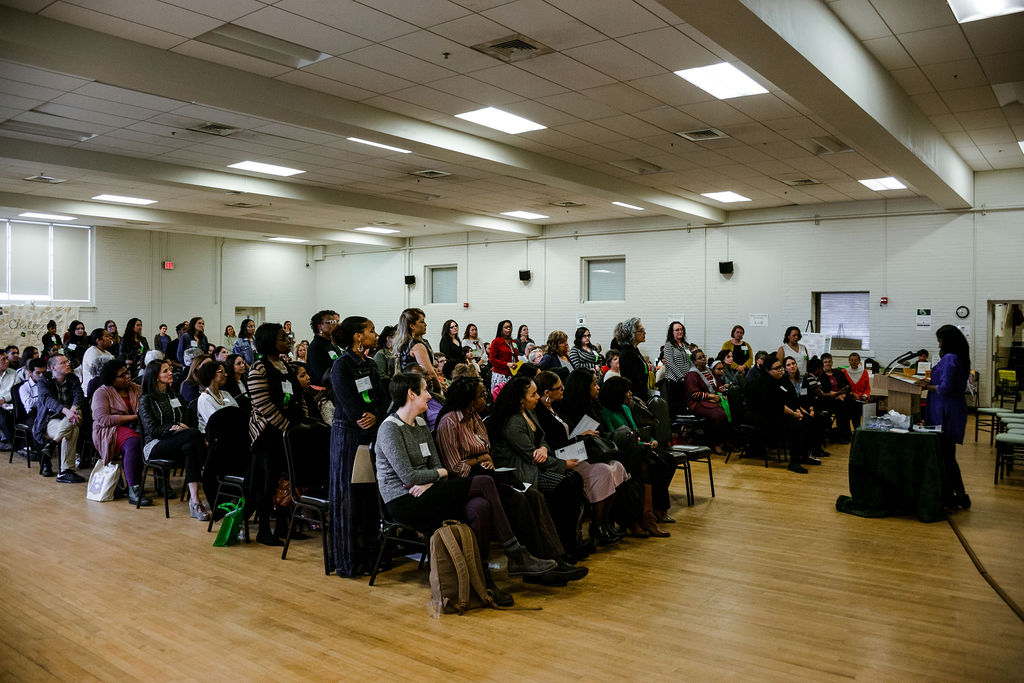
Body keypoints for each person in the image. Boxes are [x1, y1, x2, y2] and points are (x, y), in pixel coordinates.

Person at [376, 372, 558, 603]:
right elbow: (409, 475)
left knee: (481, 506)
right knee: (485, 481)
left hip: (429, 490)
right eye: (424, 390)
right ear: (411, 394)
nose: (430, 396)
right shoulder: (390, 429)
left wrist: (433, 478)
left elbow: (437, 465)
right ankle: (514, 552)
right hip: (403, 500)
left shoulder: (420, 423)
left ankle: (484, 581)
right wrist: (437, 475)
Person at [435, 376, 587, 583]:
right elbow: (455, 467)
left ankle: (553, 559)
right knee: (520, 499)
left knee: (533, 495)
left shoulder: (476, 418)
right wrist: (480, 460)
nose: (487, 398)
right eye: (482, 395)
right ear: (470, 400)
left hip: (489, 474)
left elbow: (490, 451)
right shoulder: (449, 422)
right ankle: (533, 565)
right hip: (468, 482)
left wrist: (483, 460)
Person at [488, 375, 588, 558]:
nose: (537, 397)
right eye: (533, 394)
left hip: (535, 464)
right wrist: (562, 464)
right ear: (520, 399)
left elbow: (541, 438)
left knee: (575, 480)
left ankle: (571, 541)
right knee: (566, 485)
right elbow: (530, 456)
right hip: (522, 471)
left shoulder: (529, 411)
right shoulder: (513, 423)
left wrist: (543, 448)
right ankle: (563, 545)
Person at [534, 371, 628, 546]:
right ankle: (597, 524)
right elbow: (553, 443)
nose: (563, 389)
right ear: (547, 392)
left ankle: (606, 521)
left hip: (574, 451)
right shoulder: (541, 414)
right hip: (564, 458)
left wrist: (580, 436)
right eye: (558, 387)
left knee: (617, 466)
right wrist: (578, 438)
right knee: (603, 471)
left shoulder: (555, 408)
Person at [328, 316, 388, 578]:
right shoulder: (341, 366)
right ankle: (349, 561)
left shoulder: (370, 364)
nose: (375, 334)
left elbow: (383, 397)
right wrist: (367, 416)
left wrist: (376, 414)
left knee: (368, 500)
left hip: (369, 434)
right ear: (357, 336)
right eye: (371, 331)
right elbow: (351, 405)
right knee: (349, 499)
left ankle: (371, 557)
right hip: (349, 438)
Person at [244, 323, 307, 545]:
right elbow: (263, 405)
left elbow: (299, 397)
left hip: (289, 431)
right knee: (267, 483)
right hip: (267, 434)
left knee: (287, 480)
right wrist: (287, 427)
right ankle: (263, 530)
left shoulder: (286, 366)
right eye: (282, 337)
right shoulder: (258, 369)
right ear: (270, 340)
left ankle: (283, 526)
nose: (288, 340)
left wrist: (303, 421)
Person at [596, 375, 671, 537]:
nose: (630, 394)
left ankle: (653, 513)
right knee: (647, 467)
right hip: (622, 453)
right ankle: (641, 519)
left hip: (637, 449)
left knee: (663, 462)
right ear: (617, 394)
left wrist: (651, 441)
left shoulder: (626, 408)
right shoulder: (605, 412)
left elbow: (637, 431)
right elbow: (614, 439)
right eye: (627, 391)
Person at [139, 359, 211, 519]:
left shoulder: (176, 396)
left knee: (190, 447)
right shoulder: (146, 399)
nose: (170, 372)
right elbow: (152, 430)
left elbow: (187, 421)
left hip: (181, 442)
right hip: (155, 445)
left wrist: (181, 429)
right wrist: (173, 429)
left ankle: (195, 501)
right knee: (193, 436)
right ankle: (212, 487)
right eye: (165, 371)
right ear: (156, 377)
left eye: (169, 369)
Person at [923, 325, 971, 509]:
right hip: (951, 408)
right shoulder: (959, 357)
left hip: (946, 411)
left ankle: (955, 496)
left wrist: (926, 387)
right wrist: (929, 382)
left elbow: (945, 387)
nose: (938, 343)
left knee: (946, 456)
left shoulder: (950, 358)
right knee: (947, 455)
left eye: (940, 340)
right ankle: (956, 494)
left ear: (947, 341)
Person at [91, 359, 149, 506]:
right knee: (133, 442)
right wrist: (135, 416)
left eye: (127, 373)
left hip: (136, 426)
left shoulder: (136, 388)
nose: (127, 377)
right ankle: (134, 490)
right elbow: (102, 419)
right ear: (112, 379)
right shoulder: (102, 392)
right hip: (110, 429)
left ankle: (162, 485)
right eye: (122, 375)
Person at [745, 356, 814, 474]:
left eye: (780, 367)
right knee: (795, 424)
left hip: (777, 413)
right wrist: (794, 414)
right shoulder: (764, 383)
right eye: (776, 368)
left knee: (807, 419)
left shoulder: (781, 379)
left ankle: (805, 455)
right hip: (762, 417)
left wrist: (798, 410)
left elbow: (792, 398)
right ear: (767, 370)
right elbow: (776, 405)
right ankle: (794, 462)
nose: (780, 370)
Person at [33, 354, 86, 482]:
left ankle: (54, 443)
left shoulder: (73, 378)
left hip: (71, 417)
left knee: (77, 411)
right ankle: (65, 471)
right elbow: (47, 399)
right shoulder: (44, 381)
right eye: (63, 363)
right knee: (74, 430)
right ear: (53, 367)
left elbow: (78, 395)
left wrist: (72, 410)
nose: (68, 364)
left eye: (67, 361)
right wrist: (66, 411)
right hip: (49, 421)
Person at [393, 308, 443, 393]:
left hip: (408, 389)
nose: (425, 324)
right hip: (420, 390)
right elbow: (430, 373)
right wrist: (439, 390)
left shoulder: (403, 344)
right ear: (412, 326)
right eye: (422, 322)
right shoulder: (417, 346)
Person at [616, 318, 655, 402]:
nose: (644, 333)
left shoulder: (635, 350)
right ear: (631, 334)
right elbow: (632, 382)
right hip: (635, 397)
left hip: (642, 395)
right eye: (641, 331)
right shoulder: (627, 353)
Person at [196, 361, 238, 433]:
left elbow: (238, 413)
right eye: (221, 371)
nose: (226, 375)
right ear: (211, 374)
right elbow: (216, 423)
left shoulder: (226, 394)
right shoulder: (204, 399)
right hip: (215, 437)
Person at [817, 353, 851, 443]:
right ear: (822, 364)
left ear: (832, 362)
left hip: (842, 396)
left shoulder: (838, 372)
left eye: (829, 361)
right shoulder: (821, 375)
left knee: (854, 404)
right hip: (828, 399)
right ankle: (841, 435)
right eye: (825, 362)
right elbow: (823, 391)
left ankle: (848, 433)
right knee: (842, 407)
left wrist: (843, 393)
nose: (828, 364)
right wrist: (836, 395)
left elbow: (847, 385)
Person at [662, 321, 692, 413]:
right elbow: (670, 363)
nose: (680, 332)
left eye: (681, 329)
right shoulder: (668, 345)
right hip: (675, 381)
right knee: (677, 407)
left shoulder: (686, 345)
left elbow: (690, 361)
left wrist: (692, 375)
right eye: (677, 330)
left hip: (687, 379)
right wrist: (681, 377)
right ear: (672, 332)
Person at [307, 310, 341, 386]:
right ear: (320, 326)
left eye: (334, 322)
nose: (333, 325)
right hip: (324, 388)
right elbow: (320, 374)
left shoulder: (332, 343)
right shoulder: (315, 346)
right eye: (329, 322)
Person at [843, 352, 871, 432]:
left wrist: (865, 396)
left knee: (856, 407)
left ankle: (856, 430)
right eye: (851, 360)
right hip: (849, 398)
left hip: (860, 399)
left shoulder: (864, 372)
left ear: (859, 361)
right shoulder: (844, 372)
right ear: (849, 361)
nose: (853, 362)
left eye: (855, 360)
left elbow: (867, 388)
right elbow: (843, 388)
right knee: (849, 407)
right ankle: (848, 432)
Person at [81, 327, 115, 392]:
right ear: (98, 340)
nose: (110, 338)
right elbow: (98, 373)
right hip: (92, 389)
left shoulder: (108, 353)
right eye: (107, 336)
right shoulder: (92, 352)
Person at [488, 320, 518, 392]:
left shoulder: (514, 342)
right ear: (501, 329)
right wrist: (507, 364)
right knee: (499, 395)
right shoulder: (496, 342)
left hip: (512, 373)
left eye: (510, 327)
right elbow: (492, 359)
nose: (508, 329)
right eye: (506, 327)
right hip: (500, 374)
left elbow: (515, 357)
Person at [0, 352, 18, 449]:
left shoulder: (13, 373)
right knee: (3, 418)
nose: (7, 361)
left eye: (7, 358)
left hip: (9, 402)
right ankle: (15, 444)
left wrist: (3, 399)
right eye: (3, 359)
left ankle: (16, 443)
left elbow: (16, 391)